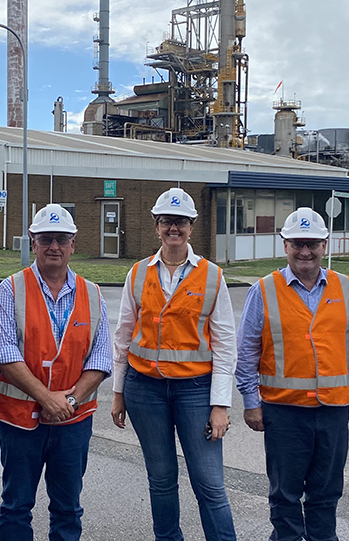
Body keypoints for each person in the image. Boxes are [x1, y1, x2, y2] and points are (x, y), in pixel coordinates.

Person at [236, 206, 349, 541]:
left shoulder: (348, 289)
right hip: (284, 413)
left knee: (326, 494)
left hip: (333, 411)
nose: (305, 251)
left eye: (312, 243)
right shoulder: (264, 290)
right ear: (285, 245)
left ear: (325, 244)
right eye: (298, 243)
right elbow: (247, 352)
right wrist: (251, 402)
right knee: (284, 495)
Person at [111, 188, 237, 541]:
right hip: (144, 389)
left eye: (180, 221)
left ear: (191, 226)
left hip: (195, 391)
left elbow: (226, 345)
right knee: (162, 479)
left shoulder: (212, 276)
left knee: (210, 483)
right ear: (156, 226)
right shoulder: (137, 273)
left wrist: (220, 405)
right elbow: (123, 338)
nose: (173, 228)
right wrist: (118, 393)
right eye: (167, 221)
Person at [0, 204, 111, 541]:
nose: (54, 246)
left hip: (73, 422)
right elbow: (3, 352)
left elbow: (101, 359)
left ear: (73, 243)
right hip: (20, 421)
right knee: (16, 506)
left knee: (68, 509)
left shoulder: (93, 293)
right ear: (33, 241)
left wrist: (68, 400)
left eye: (61, 239)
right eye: (46, 239)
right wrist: (47, 399)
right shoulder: (11, 290)